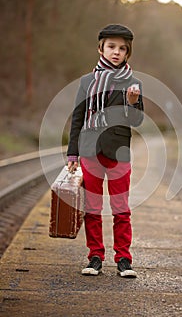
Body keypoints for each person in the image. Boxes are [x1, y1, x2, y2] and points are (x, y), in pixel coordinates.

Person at [67, 24, 144, 278]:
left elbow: (136, 121)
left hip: (119, 151)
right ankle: (95, 257)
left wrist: (132, 103)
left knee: (121, 208)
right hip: (90, 150)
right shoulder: (87, 82)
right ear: (100, 47)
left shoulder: (133, 83)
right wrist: (72, 153)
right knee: (93, 207)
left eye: (122, 48)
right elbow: (78, 118)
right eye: (111, 46)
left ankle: (124, 259)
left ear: (127, 53)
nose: (116, 52)